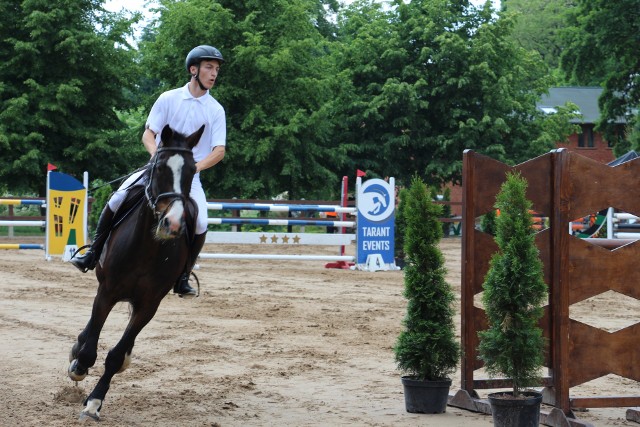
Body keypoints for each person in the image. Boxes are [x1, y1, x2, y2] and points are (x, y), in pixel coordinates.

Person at [71, 45, 227, 298]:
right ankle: (92, 253)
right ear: (193, 69)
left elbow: (219, 150)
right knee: (117, 198)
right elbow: (148, 134)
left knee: (200, 221)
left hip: (189, 178)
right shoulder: (168, 98)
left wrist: (193, 168)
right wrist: (157, 157)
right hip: (157, 170)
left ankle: (183, 275)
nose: (214, 73)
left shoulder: (215, 110)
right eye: (209, 67)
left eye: (217, 69)